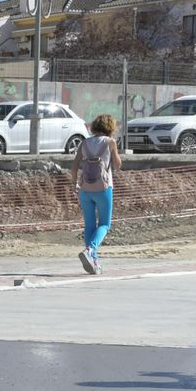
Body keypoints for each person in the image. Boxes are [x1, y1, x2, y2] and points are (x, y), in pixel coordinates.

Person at [71, 114, 120, 275]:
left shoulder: (85, 143)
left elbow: (75, 165)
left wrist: (74, 184)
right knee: (105, 224)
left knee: (90, 225)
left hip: (85, 189)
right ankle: (90, 250)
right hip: (103, 188)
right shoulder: (110, 142)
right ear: (110, 128)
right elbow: (118, 165)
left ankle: (94, 262)